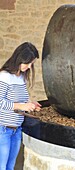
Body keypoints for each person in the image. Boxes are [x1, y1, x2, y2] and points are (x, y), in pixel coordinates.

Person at [0, 42, 41, 170]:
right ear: (19, 58)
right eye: (27, 63)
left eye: (31, 64)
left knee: (10, 166)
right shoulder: (5, 76)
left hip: (17, 129)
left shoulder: (21, 77)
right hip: (3, 130)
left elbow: (22, 98)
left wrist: (30, 103)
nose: (29, 67)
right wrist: (22, 107)